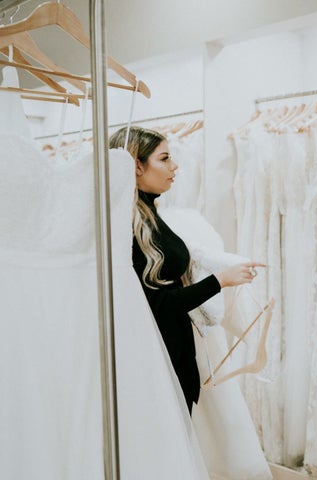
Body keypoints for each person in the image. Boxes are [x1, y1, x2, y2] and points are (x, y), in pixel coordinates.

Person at [109, 126, 264, 414]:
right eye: (164, 158)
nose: (174, 166)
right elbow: (157, 304)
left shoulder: (148, 214)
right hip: (156, 357)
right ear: (137, 166)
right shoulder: (127, 226)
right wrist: (219, 281)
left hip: (174, 349)